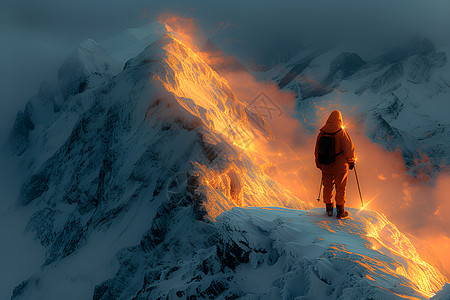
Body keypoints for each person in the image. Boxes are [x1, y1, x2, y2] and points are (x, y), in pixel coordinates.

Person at [314, 110, 355, 219]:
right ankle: (340, 211)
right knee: (340, 188)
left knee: (327, 187)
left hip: (326, 166)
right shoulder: (342, 132)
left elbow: (317, 150)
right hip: (340, 167)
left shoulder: (322, 132)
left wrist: (319, 164)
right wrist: (351, 161)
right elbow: (349, 148)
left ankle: (328, 209)